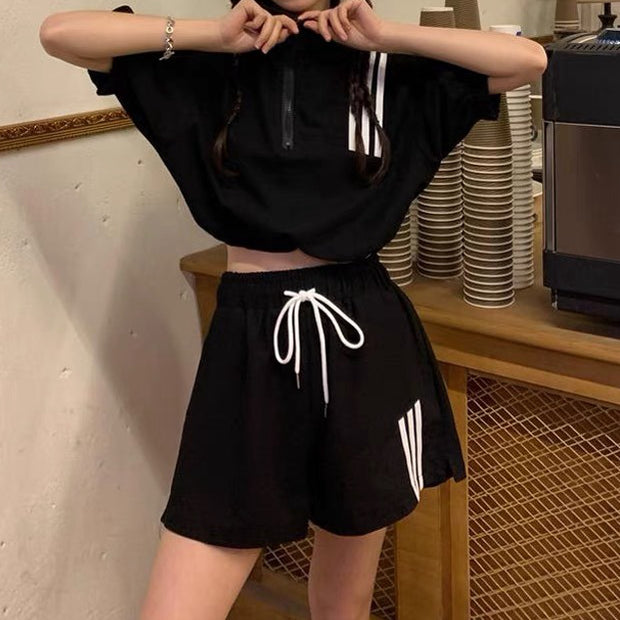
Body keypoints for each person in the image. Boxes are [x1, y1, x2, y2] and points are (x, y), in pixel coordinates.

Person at [39, 1, 547, 618]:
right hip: (250, 341)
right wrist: (212, 35)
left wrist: (384, 34)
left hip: (362, 335)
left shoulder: (382, 67)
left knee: (344, 599)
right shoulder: (211, 63)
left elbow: (527, 60)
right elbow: (59, 34)